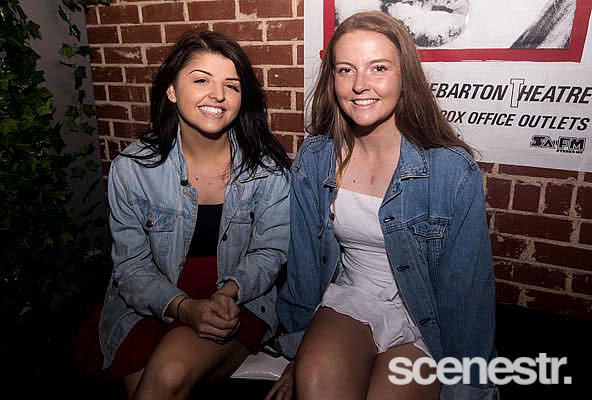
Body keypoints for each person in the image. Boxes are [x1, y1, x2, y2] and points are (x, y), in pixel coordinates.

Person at [267, 11, 497, 400]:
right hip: (352, 299)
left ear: (405, 76)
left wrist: (467, 385)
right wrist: (299, 348)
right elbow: (304, 264)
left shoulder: (451, 171)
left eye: (378, 68)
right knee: (316, 380)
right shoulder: (317, 158)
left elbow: (468, 294)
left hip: (425, 316)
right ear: (332, 80)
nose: (360, 85)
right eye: (345, 70)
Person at [74, 31, 290, 399]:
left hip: (237, 296)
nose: (218, 95)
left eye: (231, 85)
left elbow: (269, 253)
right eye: (201, 80)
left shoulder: (268, 172)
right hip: (154, 296)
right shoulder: (133, 169)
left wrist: (228, 292)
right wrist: (184, 308)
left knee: (169, 374)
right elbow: (131, 267)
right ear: (172, 91)